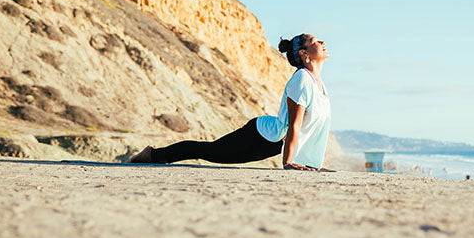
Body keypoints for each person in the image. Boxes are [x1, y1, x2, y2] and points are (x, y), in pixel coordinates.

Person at [128, 34, 331, 170]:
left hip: (272, 143)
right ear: (304, 54)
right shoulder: (302, 79)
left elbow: (315, 129)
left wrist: (312, 164)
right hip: (261, 136)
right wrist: (288, 163)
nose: (322, 42)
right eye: (315, 41)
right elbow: (295, 125)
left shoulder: (319, 84)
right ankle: (153, 155)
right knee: (210, 151)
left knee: (213, 153)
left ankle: (157, 156)